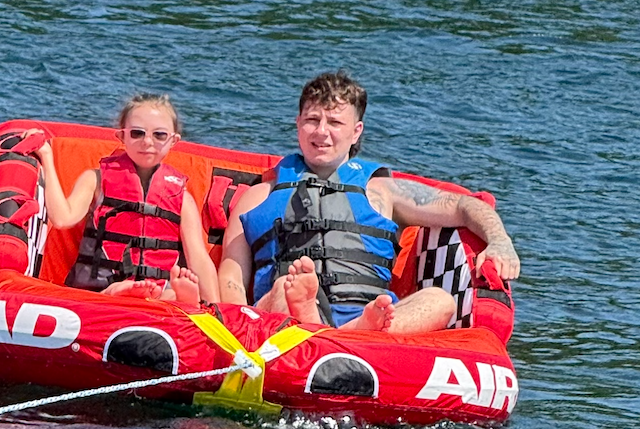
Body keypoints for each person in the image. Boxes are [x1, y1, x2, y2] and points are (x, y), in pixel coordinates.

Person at [218, 71, 520, 334]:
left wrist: (499, 241)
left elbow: (465, 206)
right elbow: (231, 275)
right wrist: (238, 328)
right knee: (287, 287)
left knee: (439, 300)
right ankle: (316, 322)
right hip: (282, 313)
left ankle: (348, 331)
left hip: (371, 313)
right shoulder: (260, 194)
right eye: (312, 120)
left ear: (356, 131)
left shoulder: (383, 191)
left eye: (335, 122)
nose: (321, 131)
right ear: (297, 124)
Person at [33, 93, 219, 305]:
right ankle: (118, 290)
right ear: (122, 136)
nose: (147, 142)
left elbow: (199, 258)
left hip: (156, 289)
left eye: (159, 135)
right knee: (116, 293)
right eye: (137, 133)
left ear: (173, 140)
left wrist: (218, 309)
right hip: (98, 289)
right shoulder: (95, 180)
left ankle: (180, 298)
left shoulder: (181, 198)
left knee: (173, 295)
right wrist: (46, 157)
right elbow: (62, 218)